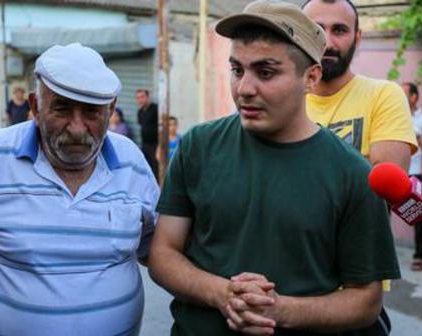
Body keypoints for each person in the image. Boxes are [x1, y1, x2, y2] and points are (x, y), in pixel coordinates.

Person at [148, 1, 400, 335]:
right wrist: (223, 294)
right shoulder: (198, 146)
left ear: (310, 77)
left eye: (266, 73)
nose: (244, 89)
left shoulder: (352, 174)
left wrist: (276, 309)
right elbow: (163, 253)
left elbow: (366, 302)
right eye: (237, 69)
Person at [0, 43, 159, 335]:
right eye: (62, 109)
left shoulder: (132, 163)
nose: (77, 129)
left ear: (111, 110)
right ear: (35, 106)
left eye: (92, 112)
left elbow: (156, 250)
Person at [302, 0, 417, 171]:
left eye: (339, 30)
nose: (328, 42)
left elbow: (386, 192)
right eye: (316, 30)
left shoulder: (383, 95)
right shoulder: (281, 100)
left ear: (358, 38)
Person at [402, 82, 422, 271]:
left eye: (404, 94)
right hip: (395, 171)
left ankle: (420, 256)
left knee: (419, 217)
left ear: (414, 97)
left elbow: (411, 139)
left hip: (413, 173)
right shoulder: (394, 114)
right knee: (380, 214)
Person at [136, 89, 159, 178]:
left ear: (148, 97)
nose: (140, 100)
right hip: (145, 145)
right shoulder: (140, 112)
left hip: (155, 145)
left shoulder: (155, 109)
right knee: (147, 167)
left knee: (156, 168)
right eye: (138, 98)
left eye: (142, 97)